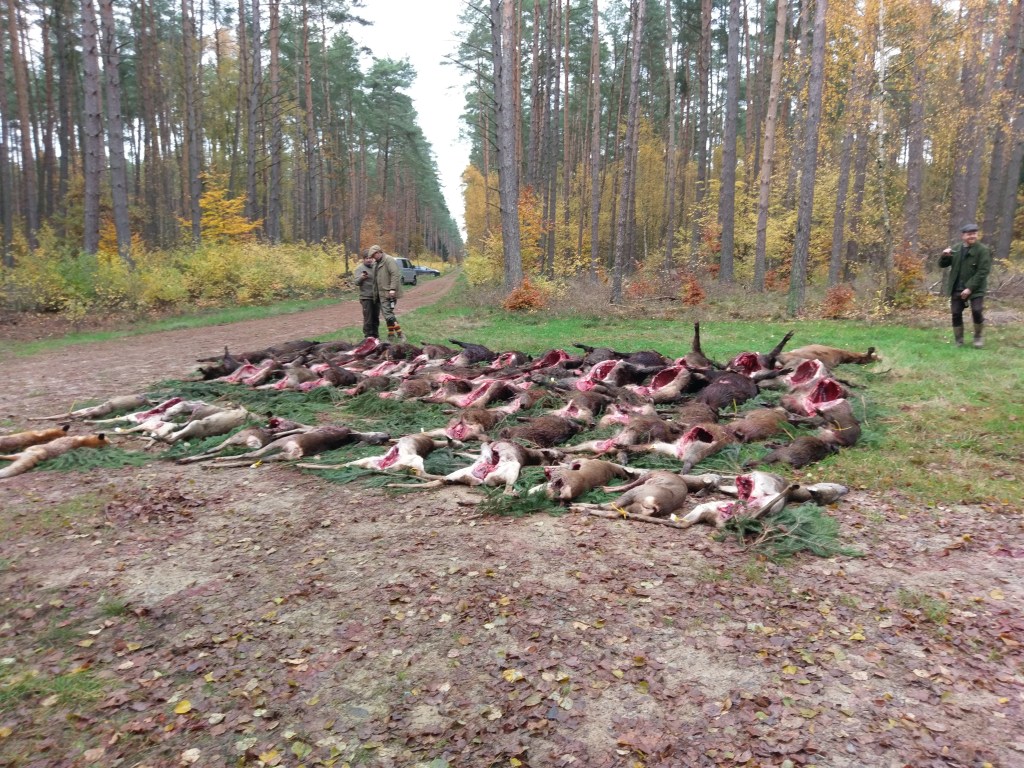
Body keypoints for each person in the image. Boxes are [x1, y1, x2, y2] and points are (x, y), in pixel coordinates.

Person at [939, 223, 992, 348]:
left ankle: (978, 337)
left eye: (974, 234)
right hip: (957, 287)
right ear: (963, 236)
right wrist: (944, 256)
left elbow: (983, 271)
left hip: (976, 289)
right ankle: (959, 340)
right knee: (956, 313)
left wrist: (970, 288)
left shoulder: (983, 250)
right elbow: (942, 265)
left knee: (977, 311)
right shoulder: (956, 249)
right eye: (969, 234)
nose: (972, 236)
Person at [368, 244, 405, 341]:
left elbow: (395, 274)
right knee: (387, 314)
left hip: (388, 292)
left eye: (373, 255)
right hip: (380, 293)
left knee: (388, 314)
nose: (373, 258)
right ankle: (391, 335)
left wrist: (392, 289)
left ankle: (400, 334)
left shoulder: (389, 260)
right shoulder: (376, 263)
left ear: (378, 252)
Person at [353, 252, 379, 339]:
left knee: (376, 318)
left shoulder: (375, 267)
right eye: (366, 258)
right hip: (366, 297)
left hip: (376, 297)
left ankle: (375, 336)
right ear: (363, 259)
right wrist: (361, 278)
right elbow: (356, 282)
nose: (368, 260)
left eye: (370, 258)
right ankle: (368, 337)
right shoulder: (359, 269)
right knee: (368, 318)